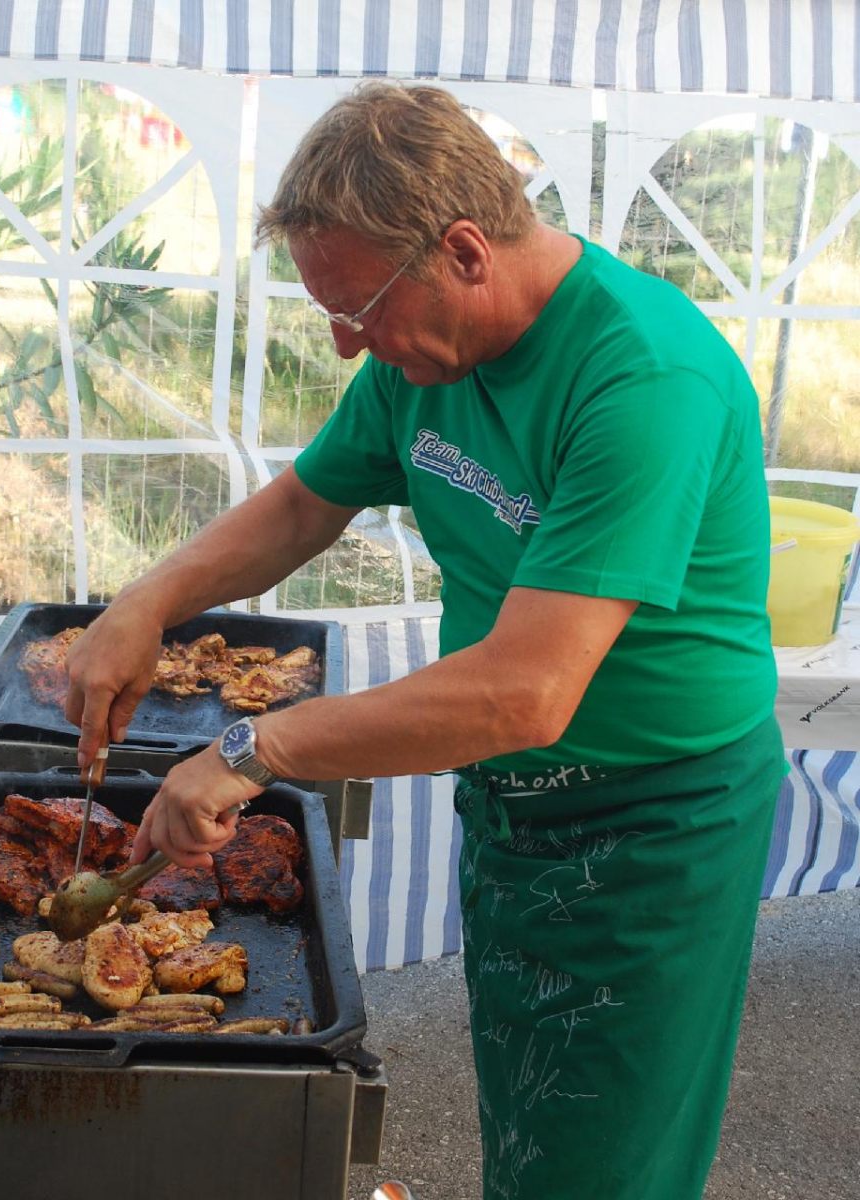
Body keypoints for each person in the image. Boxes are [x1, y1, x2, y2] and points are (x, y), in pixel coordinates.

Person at [65, 81, 783, 1200]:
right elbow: (304, 505)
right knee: (532, 1123)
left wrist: (255, 748)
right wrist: (142, 606)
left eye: (358, 308)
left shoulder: (644, 376)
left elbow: (523, 692)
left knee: (606, 1167)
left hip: (656, 825)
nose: (346, 342)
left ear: (463, 251)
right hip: (513, 803)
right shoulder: (423, 359)